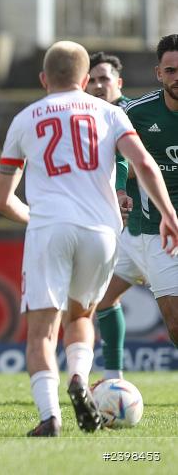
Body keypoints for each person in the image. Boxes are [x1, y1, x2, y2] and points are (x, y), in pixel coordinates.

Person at [0, 41, 178, 437]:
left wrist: (34, 217)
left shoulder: (26, 118)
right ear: (83, 79)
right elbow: (143, 162)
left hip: (51, 229)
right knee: (82, 317)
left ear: (44, 79)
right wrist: (168, 214)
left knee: (42, 330)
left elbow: (2, 200)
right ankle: (80, 376)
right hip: (102, 232)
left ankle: (50, 417)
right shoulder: (111, 113)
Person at [86, 52, 150, 381]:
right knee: (104, 299)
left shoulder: (133, 114)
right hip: (130, 234)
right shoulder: (88, 121)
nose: (98, 86)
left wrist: (121, 189)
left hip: (159, 231)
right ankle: (113, 378)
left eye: (104, 79)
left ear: (119, 83)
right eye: (92, 80)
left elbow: (123, 161)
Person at [121, 34, 178, 351]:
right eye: (170, 71)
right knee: (175, 324)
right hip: (157, 230)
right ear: (159, 73)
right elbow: (117, 159)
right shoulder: (138, 114)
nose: (177, 78)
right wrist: (119, 189)